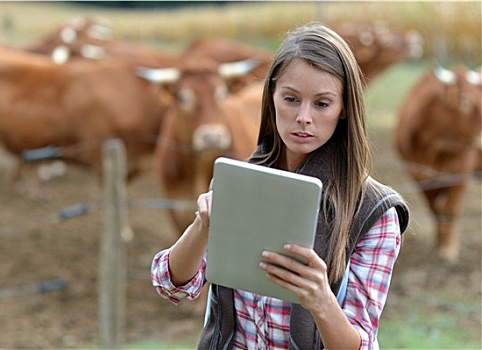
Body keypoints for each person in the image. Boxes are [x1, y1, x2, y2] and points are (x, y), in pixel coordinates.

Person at [151, 21, 409, 350]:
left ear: (344, 109)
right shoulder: (239, 181)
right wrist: (203, 226)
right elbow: (169, 285)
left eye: (322, 103)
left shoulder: (374, 212)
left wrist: (320, 301)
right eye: (290, 98)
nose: (303, 116)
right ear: (271, 97)